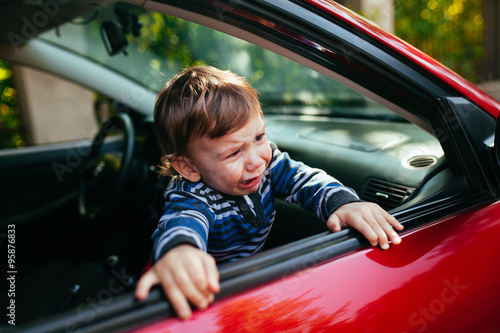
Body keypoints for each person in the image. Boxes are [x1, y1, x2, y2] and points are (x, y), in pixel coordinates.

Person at [135, 65, 403, 319]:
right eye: (233, 153)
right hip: (192, 280)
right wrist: (180, 251)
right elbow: (182, 222)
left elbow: (304, 179)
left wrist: (343, 204)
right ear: (189, 166)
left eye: (259, 137)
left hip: (244, 276)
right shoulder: (193, 195)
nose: (256, 160)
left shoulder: (267, 162)